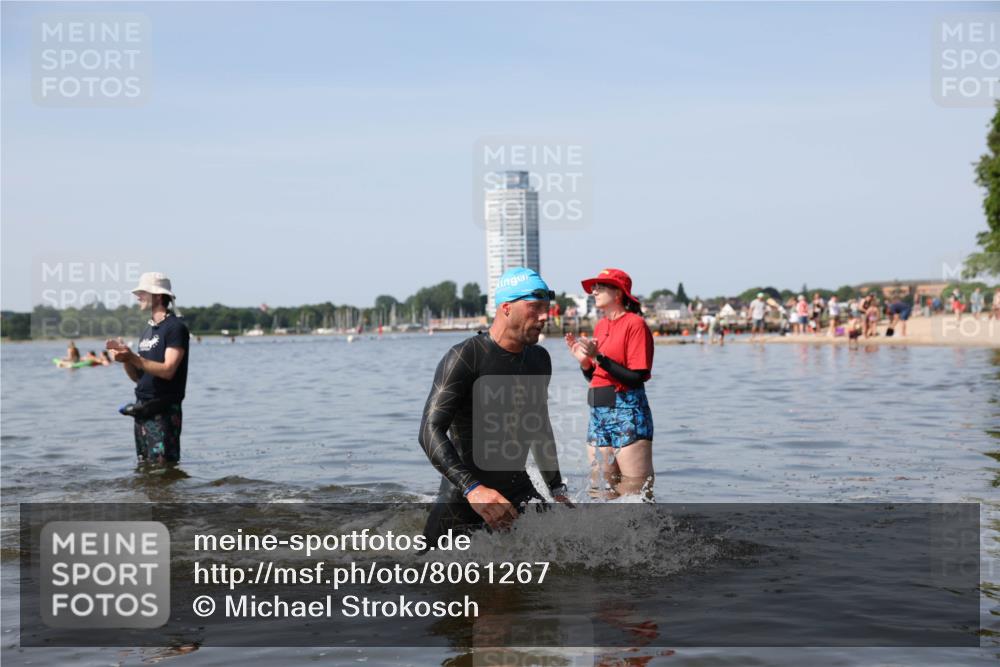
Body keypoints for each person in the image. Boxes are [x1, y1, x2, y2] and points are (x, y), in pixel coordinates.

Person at [418, 267, 570, 543]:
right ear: (506, 308)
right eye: (535, 308)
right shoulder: (466, 356)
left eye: (546, 308)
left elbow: (538, 426)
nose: (545, 317)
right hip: (463, 500)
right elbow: (429, 430)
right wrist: (473, 489)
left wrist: (556, 489)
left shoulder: (539, 360)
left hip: (518, 492)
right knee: (429, 577)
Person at [565, 268, 654, 500]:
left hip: (627, 411)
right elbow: (598, 376)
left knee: (635, 493)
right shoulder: (601, 326)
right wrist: (585, 363)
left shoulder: (635, 324)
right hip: (598, 411)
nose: (594, 291)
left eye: (600, 287)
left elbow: (637, 377)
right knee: (600, 490)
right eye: (594, 288)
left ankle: (651, 537)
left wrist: (600, 358)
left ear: (618, 293)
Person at [107, 272, 190, 464]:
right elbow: (139, 377)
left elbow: (168, 370)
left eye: (143, 292)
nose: (138, 296)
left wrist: (133, 357)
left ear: (158, 296)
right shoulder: (147, 331)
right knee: (144, 469)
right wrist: (125, 359)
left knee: (164, 471)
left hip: (164, 412)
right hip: (142, 410)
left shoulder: (175, 327)